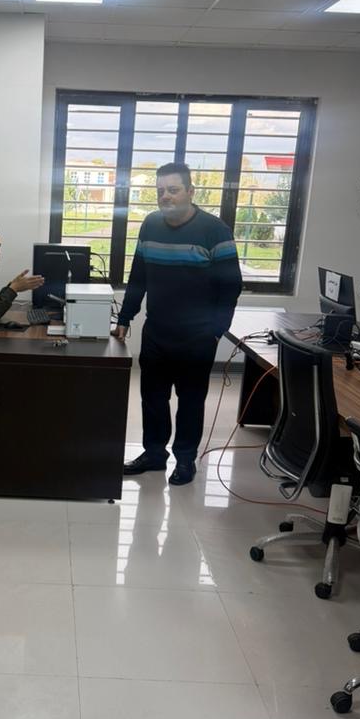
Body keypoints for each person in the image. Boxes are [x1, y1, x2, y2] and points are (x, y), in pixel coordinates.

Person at [113, 162, 242, 485]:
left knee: (190, 402)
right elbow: (138, 277)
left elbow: (231, 287)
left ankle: (185, 460)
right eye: (160, 191)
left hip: (197, 337)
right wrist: (125, 317)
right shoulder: (150, 225)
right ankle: (154, 454)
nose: (165, 196)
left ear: (190, 191)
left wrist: (216, 331)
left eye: (173, 190)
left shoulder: (215, 230)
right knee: (153, 399)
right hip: (157, 331)